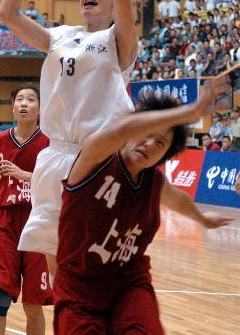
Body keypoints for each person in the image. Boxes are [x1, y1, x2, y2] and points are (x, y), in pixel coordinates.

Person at [0, 0, 137, 274]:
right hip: (54, 156)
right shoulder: (60, 37)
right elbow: (7, 14)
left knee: (93, 264)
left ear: (115, 5)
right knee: (57, 267)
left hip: (97, 159)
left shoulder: (118, 42)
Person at [53, 78, 232, 334]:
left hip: (128, 283)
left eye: (161, 143)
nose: (150, 144)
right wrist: (189, 112)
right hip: (79, 288)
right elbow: (123, 127)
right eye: (147, 133)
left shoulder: (154, 181)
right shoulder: (95, 157)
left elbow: (178, 199)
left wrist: (202, 218)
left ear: (165, 155)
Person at [0, 85, 52, 335]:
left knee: (34, 305)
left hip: (38, 220)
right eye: (19, 99)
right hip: (6, 221)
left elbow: (58, 184)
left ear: (40, 109)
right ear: (13, 108)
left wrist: (25, 175)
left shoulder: (50, 142)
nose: (24, 103)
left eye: (30, 99)